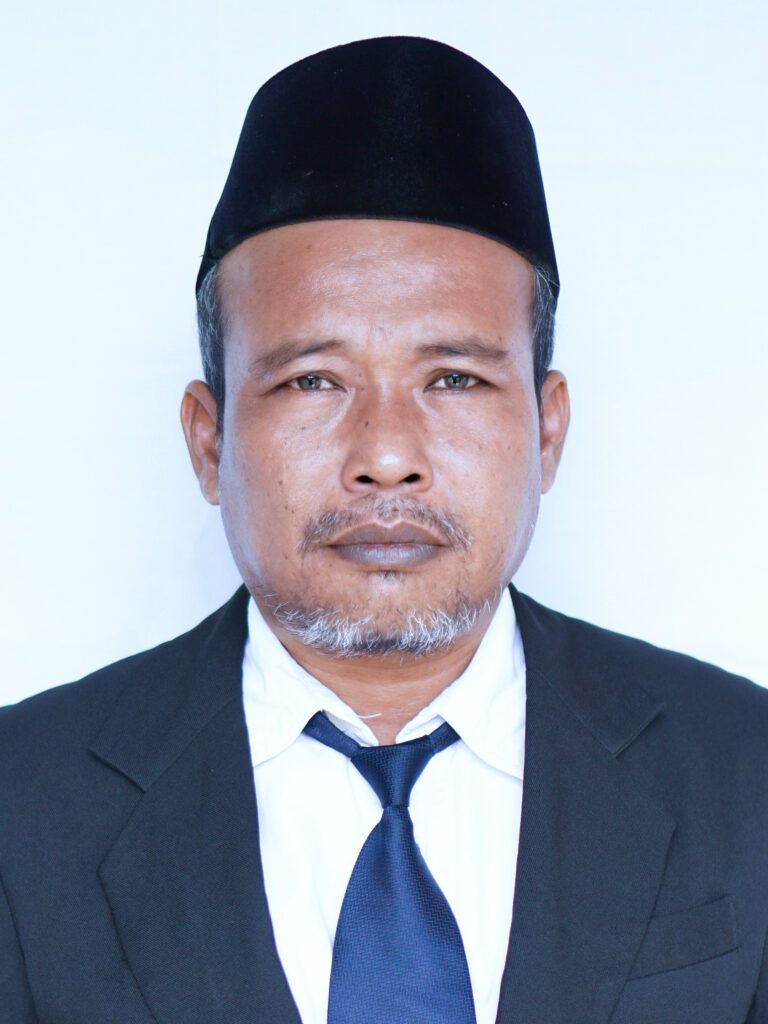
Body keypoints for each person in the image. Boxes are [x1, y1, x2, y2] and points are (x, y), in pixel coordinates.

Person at [1, 34, 766, 1024]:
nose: (388, 455)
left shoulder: (745, 772)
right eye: (312, 381)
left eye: (454, 378)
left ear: (547, 432)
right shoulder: (22, 804)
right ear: (208, 439)